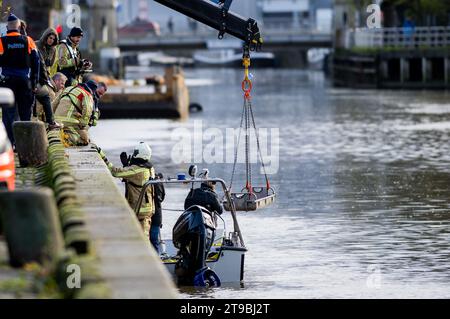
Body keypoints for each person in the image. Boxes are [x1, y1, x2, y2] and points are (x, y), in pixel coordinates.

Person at [95, 142, 156, 239]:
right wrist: (127, 165)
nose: (134, 155)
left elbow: (115, 172)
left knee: (142, 240)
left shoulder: (137, 170)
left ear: (140, 154)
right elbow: (134, 179)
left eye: (136, 152)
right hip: (147, 208)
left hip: (139, 209)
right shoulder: (150, 168)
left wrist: (103, 156)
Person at [0, 13, 40, 146]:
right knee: (25, 114)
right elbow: (36, 62)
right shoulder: (28, 40)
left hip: (7, 82)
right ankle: (25, 145)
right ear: (18, 26)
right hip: (24, 81)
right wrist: (34, 82)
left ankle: (10, 144)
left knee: (8, 114)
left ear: (8, 27)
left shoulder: (1, 41)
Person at [53, 80, 98, 146]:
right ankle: (69, 139)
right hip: (69, 122)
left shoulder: (67, 89)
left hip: (56, 120)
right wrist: (83, 125)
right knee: (85, 139)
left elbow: (54, 104)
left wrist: (51, 118)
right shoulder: (87, 94)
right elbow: (87, 111)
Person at [34, 28, 63, 130]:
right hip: (36, 76)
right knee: (47, 96)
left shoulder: (53, 50)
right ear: (45, 37)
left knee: (52, 94)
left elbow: (50, 66)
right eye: (50, 38)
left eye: (53, 39)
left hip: (46, 77)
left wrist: (50, 79)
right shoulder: (36, 45)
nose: (51, 40)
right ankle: (45, 121)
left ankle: (47, 120)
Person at [150, 173, 165, 252]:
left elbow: (160, 198)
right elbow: (161, 197)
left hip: (154, 217)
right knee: (154, 240)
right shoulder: (158, 184)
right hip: (156, 217)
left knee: (153, 240)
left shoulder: (155, 183)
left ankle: (156, 257)